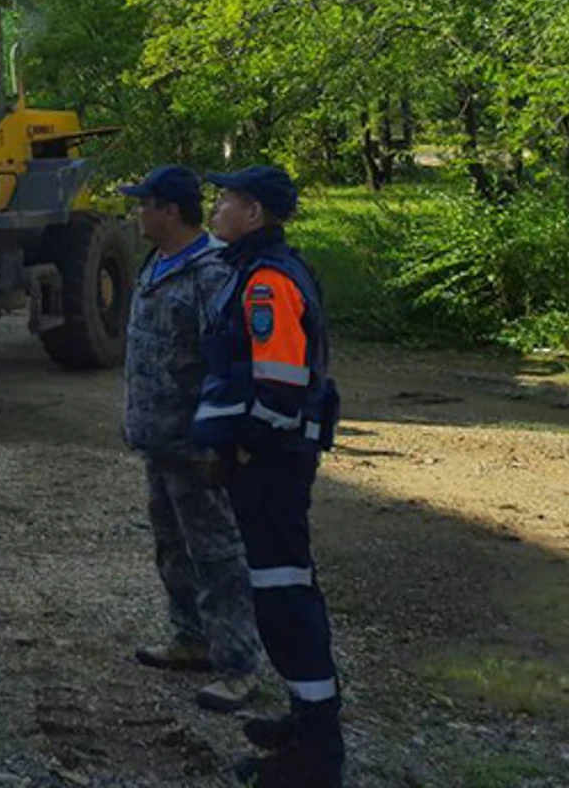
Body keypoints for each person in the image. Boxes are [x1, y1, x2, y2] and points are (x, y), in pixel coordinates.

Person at [196, 165, 345, 787]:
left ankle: (316, 754)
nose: (217, 207)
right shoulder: (259, 271)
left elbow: (279, 387)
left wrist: (247, 450)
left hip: (272, 464)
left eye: (227, 199)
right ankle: (308, 717)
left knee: (285, 599)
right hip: (269, 461)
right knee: (284, 591)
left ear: (254, 215)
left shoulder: (266, 283)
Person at [118, 167, 265, 713]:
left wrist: (219, 440)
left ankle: (239, 665)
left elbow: (226, 363)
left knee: (217, 555)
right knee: (172, 547)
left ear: (170, 211)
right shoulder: (157, 264)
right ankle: (191, 638)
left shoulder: (210, 274)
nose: (137, 214)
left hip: (194, 443)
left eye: (144, 205)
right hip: (158, 440)